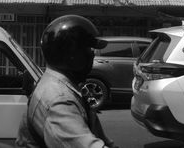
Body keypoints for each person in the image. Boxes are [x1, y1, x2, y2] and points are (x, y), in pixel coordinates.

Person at [16, 15, 117, 148]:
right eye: (87, 49)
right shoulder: (59, 100)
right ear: (71, 53)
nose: (92, 54)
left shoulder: (56, 83)